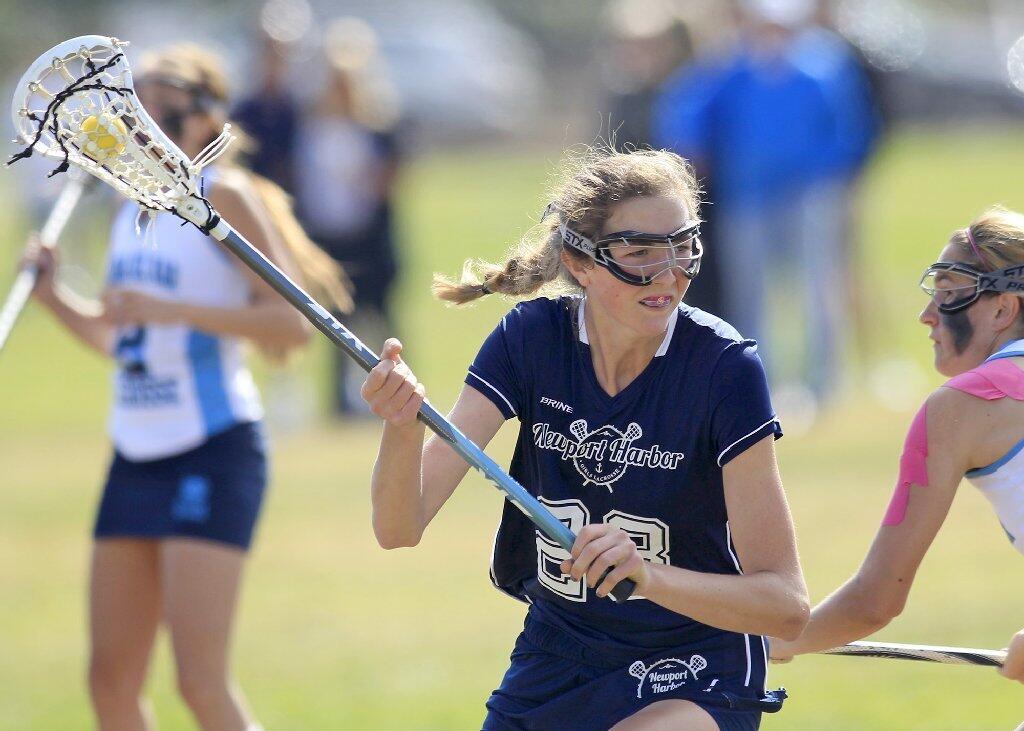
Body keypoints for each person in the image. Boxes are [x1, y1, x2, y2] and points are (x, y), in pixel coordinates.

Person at [362, 147, 808, 730]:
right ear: (581, 263)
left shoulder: (723, 368)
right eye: (640, 253)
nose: (669, 275)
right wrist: (400, 428)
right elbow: (399, 528)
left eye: (682, 247)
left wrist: (649, 577)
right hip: (557, 654)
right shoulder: (530, 342)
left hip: (695, 665)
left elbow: (786, 604)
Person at [21, 45, 350, 731]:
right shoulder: (124, 211)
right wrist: (54, 296)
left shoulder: (221, 197)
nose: (142, 126)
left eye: (161, 110)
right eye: (130, 109)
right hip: (134, 451)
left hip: (213, 447)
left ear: (206, 120)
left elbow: (289, 324)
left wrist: (178, 311)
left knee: (199, 682)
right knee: (109, 679)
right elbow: (122, 343)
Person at [769, 207, 1024, 688]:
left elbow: (875, 601)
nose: (926, 314)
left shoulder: (959, 408)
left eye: (949, 293)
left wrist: (774, 641)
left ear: (1003, 309)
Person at [295, 17, 403, 417]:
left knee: (382, 320)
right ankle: (342, 402)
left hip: (370, 237)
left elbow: (390, 175)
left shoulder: (376, 126)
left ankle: (401, 394)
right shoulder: (311, 127)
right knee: (336, 323)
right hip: (330, 237)